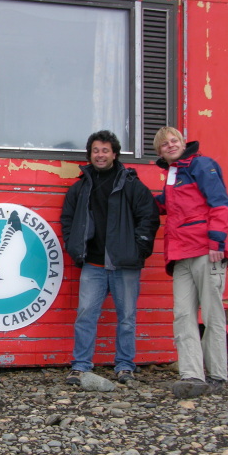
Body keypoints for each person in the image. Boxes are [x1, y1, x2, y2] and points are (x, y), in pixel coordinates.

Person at [61, 130, 159, 386]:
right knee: (85, 316)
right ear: (90, 155)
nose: (100, 155)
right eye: (96, 150)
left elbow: (148, 218)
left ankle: (125, 366)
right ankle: (81, 366)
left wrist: (138, 250)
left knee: (126, 317)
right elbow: (68, 220)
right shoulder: (80, 188)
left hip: (124, 265)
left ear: (114, 154)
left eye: (105, 150)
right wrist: (74, 247)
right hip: (92, 264)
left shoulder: (131, 186)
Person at [153, 126, 228, 398]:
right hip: (180, 255)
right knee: (184, 316)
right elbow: (166, 206)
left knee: (212, 315)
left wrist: (216, 243)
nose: (170, 145)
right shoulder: (173, 175)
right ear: (160, 151)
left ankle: (217, 374)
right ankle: (191, 374)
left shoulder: (201, 165)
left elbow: (220, 204)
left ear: (183, 143)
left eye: (174, 141)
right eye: (164, 144)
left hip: (205, 251)